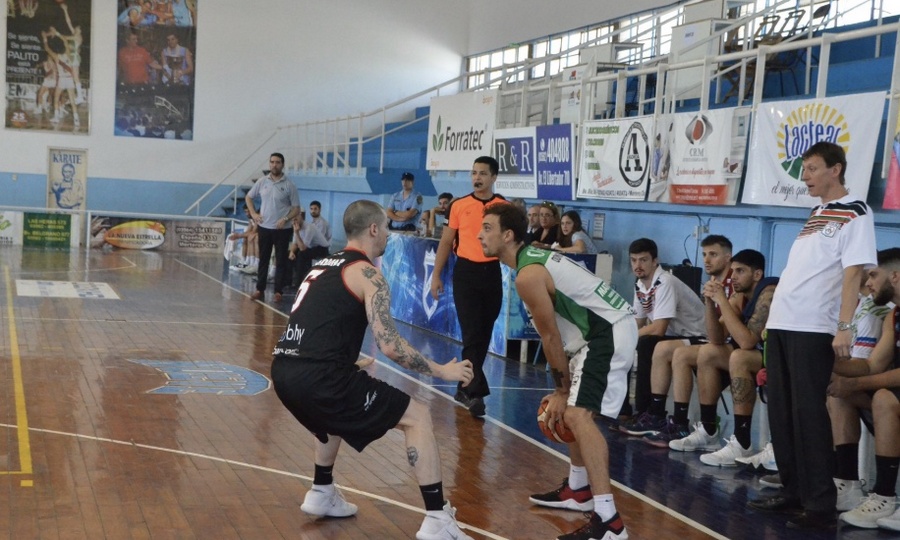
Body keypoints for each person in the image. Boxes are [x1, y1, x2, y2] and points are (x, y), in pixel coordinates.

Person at [270, 200, 475, 540]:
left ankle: (321, 492)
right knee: (418, 416)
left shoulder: (322, 266)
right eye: (387, 229)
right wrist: (442, 370)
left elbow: (315, 322)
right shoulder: (368, 273)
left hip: (285, 371)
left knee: (328, 412)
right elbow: (390, 345)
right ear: (374, 229)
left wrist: (342, 359)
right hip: (321, 376)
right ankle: (438, 519)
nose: (389, 236)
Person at [479, 204, 634, 540]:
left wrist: (562, 391)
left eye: (487, 228)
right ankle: (578, 490)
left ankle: (609, 522)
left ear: (508, 235)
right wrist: (563, 388)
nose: (480, 234)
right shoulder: (530, 259)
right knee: (571, 414)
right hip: (592, 336)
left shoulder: (528, 274)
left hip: (606, 333)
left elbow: (549, 336)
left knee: (577, 416)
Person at [748, 142, 876, 531]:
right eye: (803, 168)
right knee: (782, 412)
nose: (804, 176)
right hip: (785, 325)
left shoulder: (856, 211)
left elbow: (853, 273)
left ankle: (820, 503)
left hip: (814, 327)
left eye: (812, 168)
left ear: (835, 170)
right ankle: (794, 490)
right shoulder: (817, 212)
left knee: (809, 415)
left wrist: (843, 326)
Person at [664, 250, 778, 466]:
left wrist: (723, 302)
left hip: (779, 358)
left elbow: (747, 342)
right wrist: (709, 302)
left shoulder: (768, 292)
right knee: (708, 352)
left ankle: (742, 441)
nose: (733, 276)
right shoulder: (738, 296)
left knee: (739, 357)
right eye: (732, 270)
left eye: (740, 271)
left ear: (757, 274)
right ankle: (708, 429)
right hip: (761, 356)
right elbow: (716, 338)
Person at [637, 235, 736, 444]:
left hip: (710, 339)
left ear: (728, 258)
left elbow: (721, 333)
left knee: (672, 351)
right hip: (709, 339)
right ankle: (661, 416)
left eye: (713, 254)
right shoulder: (713, 283)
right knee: (662, 349)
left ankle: (685, 423)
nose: (707, 260)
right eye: (704, 254)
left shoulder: (733, 284)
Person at [828, 248, 900, 531]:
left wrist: (856, 383)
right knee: (837, 391)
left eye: (873, 275)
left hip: (891, 396)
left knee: (881, 397)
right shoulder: (893, 317)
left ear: (894, 276)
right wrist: (826, 361)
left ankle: (884, 496)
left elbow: (869, 379)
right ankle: (846, 484)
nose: (867, 283)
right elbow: (872, 365)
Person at [430, 156, 507, 418]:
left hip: (492, 273)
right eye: (474, 172)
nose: (477, 178)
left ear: (494, 177)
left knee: (482, 334)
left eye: (483, 173)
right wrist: (436, 275)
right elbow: (445, 242)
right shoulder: (459, 205)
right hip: (465, 273)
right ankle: (475, 393)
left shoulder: (503, 207)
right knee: (472, 332)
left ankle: (464, 386)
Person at [619, 238, 705, 433]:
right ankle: (622, 409)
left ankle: (647, 411)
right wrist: (622, 336)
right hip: (676, 336)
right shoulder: (640, 284)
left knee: (647, 344)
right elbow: (638, 322)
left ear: (655, 261)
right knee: (624, 344)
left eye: (643, 260)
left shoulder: (664, 281)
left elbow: (658, 329)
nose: (637, 266)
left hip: (698, 336)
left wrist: (631, 335)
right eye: (633, 260)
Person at [245, 153, 300, 303]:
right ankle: (259, 289)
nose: (274, 165)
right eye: (272, 162)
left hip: (282, 229)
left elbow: (296, 208)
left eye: (277, 162)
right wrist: (254, 213)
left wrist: (286, 219)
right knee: (263, 258)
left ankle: (278, 291)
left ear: (282, 164)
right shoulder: (262, 182)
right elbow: (248, 197)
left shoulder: (289, 185)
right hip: (264, 227)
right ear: (269, 164)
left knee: (281, 260)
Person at [288, 209, 330, 287]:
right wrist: (291, 252)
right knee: (290, 254)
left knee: (301, 254)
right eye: (293, 220)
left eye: (296, 219)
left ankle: (298, 283)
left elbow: (303, 248)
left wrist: (297, 233)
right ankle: (288, 281)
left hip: (321, 249)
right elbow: (295, 243)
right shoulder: (295, 227)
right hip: (310, 247)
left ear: (301, 217)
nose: (295, 222)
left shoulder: (309, 228)